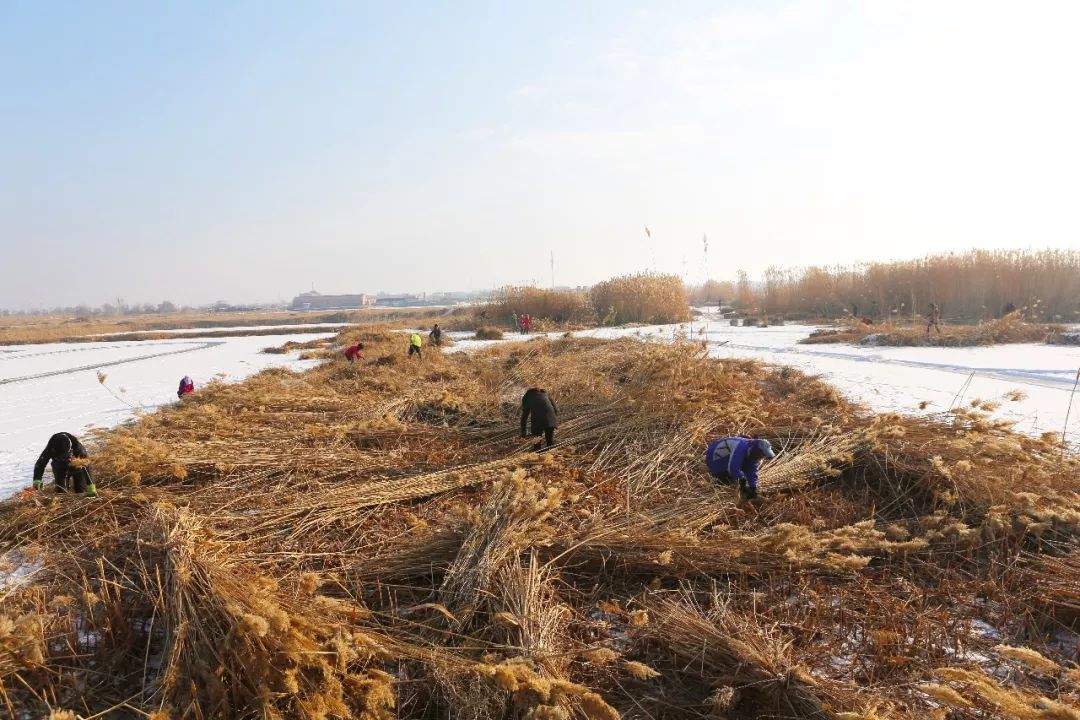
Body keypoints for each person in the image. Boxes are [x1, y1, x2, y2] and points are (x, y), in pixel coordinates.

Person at [704, 436, 775, 500]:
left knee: (742, 479)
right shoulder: (741, 446)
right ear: (757, 450)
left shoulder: (754, 455)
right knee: (727, 481)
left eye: (764, 455)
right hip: (714, 458)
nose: (762, 457)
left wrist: (753, 487)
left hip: (728, 458)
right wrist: (743, 482)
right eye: (762, 454)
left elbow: (751, 470)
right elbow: (733, 467)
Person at [32, 432, 97, 497]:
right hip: (60, 469)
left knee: (81, 490)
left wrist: (91, 485)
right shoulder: (52, 446)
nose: (63, 459)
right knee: (61, 494)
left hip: (77, 469)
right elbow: (41, 462)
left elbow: (86, 465)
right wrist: (37, 479)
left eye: (64, 456)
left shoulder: (78, 448)